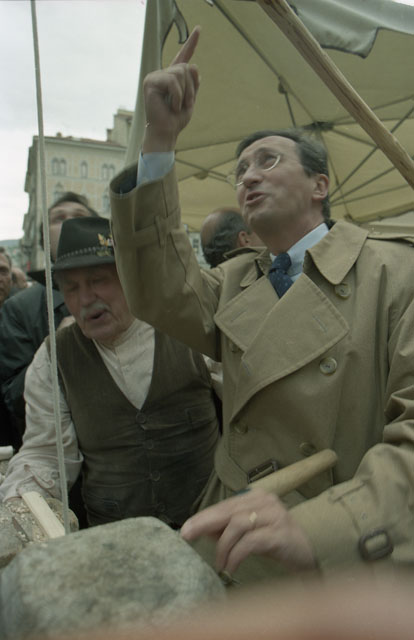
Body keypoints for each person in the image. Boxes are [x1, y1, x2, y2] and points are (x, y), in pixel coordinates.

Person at [109, 28, 414, 584]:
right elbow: (156, 286)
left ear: (320, 185)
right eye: (241, 170)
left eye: (268, 161)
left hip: (344, 554)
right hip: (237, 536)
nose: (248, 176)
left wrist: (326, 528)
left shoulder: (396, 273)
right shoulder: (234, 281)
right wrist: (159, 141)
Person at [0, 216, 219, 529]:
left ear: (131, 277)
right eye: (71, 287)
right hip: (115, 540)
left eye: (98, 280)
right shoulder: (53, 359)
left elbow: (248, 417)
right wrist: (23, 501)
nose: (85, 299)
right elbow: (46, 455)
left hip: (213, 528)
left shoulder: (187, 327)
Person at [0, 192, 98, 446]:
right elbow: (14, 399)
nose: (69, 223)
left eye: (79, 216)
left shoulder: (126, 296)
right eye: (59, 218)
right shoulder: (18, 309)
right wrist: (56, 349)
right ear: (45, 240)